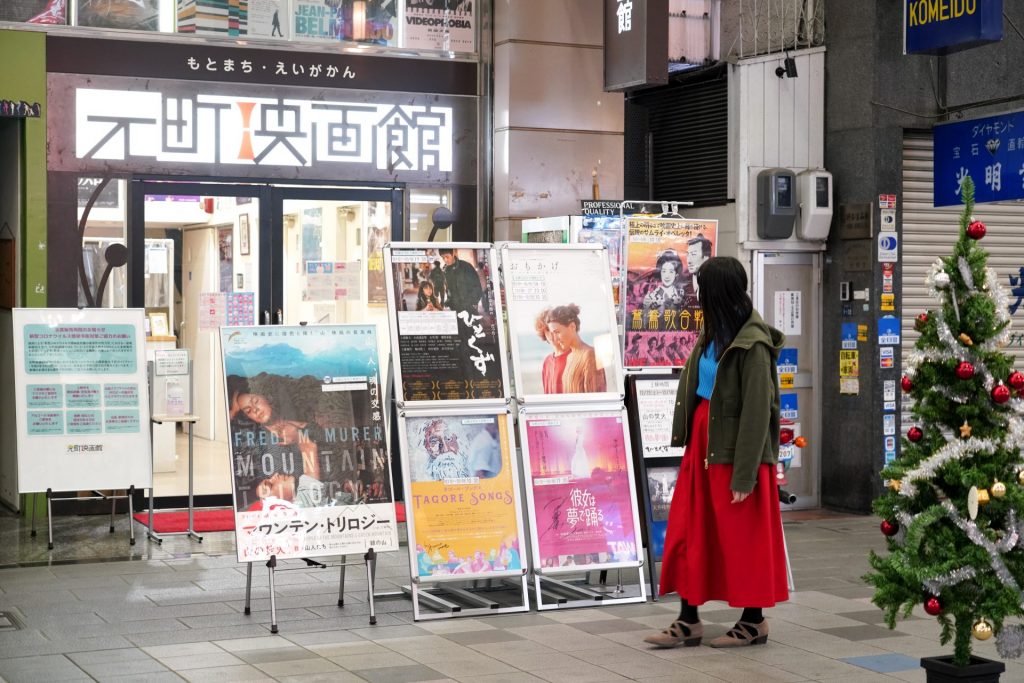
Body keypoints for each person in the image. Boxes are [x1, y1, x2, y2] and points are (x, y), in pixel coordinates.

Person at [644, 256, 788, 650]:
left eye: (702, 289)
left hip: (736, 455)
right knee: (690, 532)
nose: (696, 296)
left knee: (742, 540)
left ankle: (754, 621)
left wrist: (744, 475)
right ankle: (688, 619)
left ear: (717, 292)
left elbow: (759, 414)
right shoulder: (713, 333)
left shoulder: (752, 345)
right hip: (703, 450)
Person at [546, 304, 607, 394]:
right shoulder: (570, 356)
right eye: (553, 334)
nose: (555, 338)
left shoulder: (590, 355)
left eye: (557, 332)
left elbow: (596, 400)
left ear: (572, 327)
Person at [642, 250, 685, 321]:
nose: (667, 276)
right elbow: (645, 322)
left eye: (671, 272)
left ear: (676, 274)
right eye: (664, 271)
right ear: (660, 273)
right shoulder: (652, 296)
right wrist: (646, 308)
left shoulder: (680, 293)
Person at [535, 308, 569, 393]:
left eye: (555, 330)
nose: (552, 334)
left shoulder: (573, 357)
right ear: (543, 333)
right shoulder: (547, 361)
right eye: (548, 330)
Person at [440, 248, 483, 314]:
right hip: (454, 308)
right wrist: (448, 301)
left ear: (453, 253)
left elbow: (477, 286)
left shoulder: (466, 266)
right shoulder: (445, 270)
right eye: (443, 257)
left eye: (447, 256)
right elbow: (448, 289)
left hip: (468, 307)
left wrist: (472, 303)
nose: (445, 260)